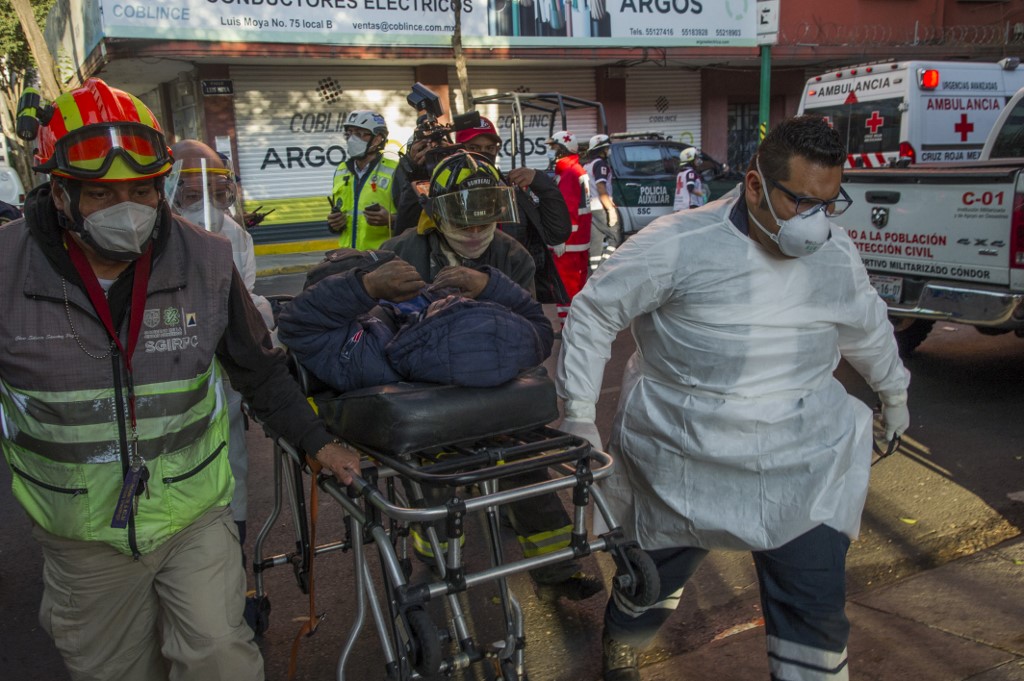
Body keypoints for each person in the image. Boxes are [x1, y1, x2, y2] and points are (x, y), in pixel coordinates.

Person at [0, 77, 360, 681]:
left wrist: (317, 442)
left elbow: (260, 372)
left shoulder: (208, 259)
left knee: (221, 656)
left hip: (193, 513)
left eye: (143, 190)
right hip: (80, 535)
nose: (130, 211)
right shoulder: (5, 272)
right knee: (114, 671)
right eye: (102, 195)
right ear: (58, 193)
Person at [556, 115, 911, 681]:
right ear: (753, 185)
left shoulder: (835, 253)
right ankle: (625, 637)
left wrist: (893, 392)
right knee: (653, 575)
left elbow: (865, 327)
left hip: (803, 458)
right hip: (685, 453)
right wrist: (578, 416)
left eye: (828, 203)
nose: (814, 223)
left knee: (812, 604)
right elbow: (595, 315)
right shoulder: (675, 246)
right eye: (799, 202)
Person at [382, 150, 603, 600]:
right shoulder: (399, 252)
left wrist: (489, 288)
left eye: (485, 221)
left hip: (496, 389)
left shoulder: (512, 256)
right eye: (464, 223)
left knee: (525, 470)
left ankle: (556, 567)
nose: (476, 233)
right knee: (433, 480)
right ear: (437, 213)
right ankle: (437, 559)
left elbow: (528, 337)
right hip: (424, 396)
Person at [168, 139, 275, 550]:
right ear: (170, 193)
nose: (207, 206)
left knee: (231, 470)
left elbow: (244, 300)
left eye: (216, 194)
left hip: (225, 383)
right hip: (170, 390)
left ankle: (232, 557)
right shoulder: (151, 240)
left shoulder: (233, 235)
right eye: (193, 196)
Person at [276, 256, 553, 394]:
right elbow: (540, 329)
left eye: (453, 305)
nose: (455, 298)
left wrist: (367, 286)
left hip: (344, 299)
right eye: (464, 302)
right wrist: (489, 286)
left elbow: (296, 325)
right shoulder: (497, 344)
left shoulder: (376, 360)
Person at [456, 116, 572, 304]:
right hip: (469, 300)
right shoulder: (445, 191)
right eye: (473, 148)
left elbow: (557, 232)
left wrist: (540, 182)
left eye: (490, 148)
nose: (482, 154)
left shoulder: (511, 188)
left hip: (518, 297)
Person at [327, 109, 401, 249]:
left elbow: (413, 220)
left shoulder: (396, 171)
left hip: (383, 258)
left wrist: (390, 220)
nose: (352, 139)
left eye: (360, 134)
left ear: (378, 138)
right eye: (349, 133)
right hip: (349, 258)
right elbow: (343, 214)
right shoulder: (341, 171)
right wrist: (334, 224)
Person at [545, 130, 592, 323]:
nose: (551, 151)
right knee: (575, 284)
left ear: (562, 149)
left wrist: (560, 237)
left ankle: (569, 325)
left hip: (569, 242)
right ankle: (573, 322)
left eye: (554, 147)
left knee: (566, 285)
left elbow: (567, 209)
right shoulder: (572, 169)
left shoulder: (569, 173)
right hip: (578, 239)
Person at [584, 133, 619, 270]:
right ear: (602, 149)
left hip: (590, 208)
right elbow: (601, 187)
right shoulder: (600, 165)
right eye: (606, 148)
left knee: (596, 243)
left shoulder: (587, 165)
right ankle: (604, 268)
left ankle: (595, 272)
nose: (608, 151)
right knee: (615, 237)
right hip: (601, 207)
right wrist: (610, 210)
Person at [672, 146, 704, 211]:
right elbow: (690, 187)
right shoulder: (690, 173)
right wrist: (702, 195)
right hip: (690, 206)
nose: (698, 160)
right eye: (696, 158)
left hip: (679, 206)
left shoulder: (680, 173)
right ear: (690, 160)